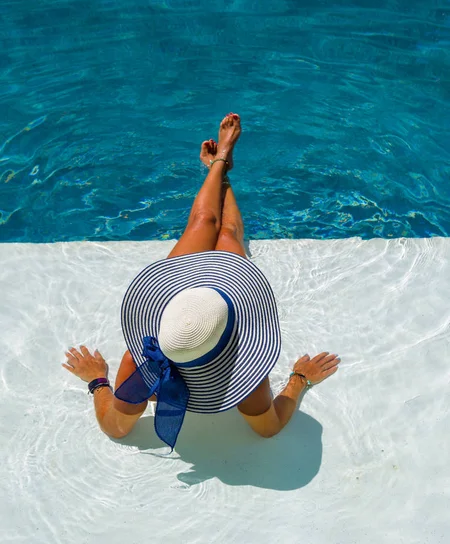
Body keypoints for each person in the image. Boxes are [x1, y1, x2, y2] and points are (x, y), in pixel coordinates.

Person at [63, 113, 340, 449]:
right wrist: (298, 380)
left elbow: (117, 427)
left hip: (182, 296)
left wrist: (97, 380)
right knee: (227, 231)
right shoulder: (245, 377)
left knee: (203, 220)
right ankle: (221, 169)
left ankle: (219, 163)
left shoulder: (142, 362)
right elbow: (268, 428)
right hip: (211, 297)